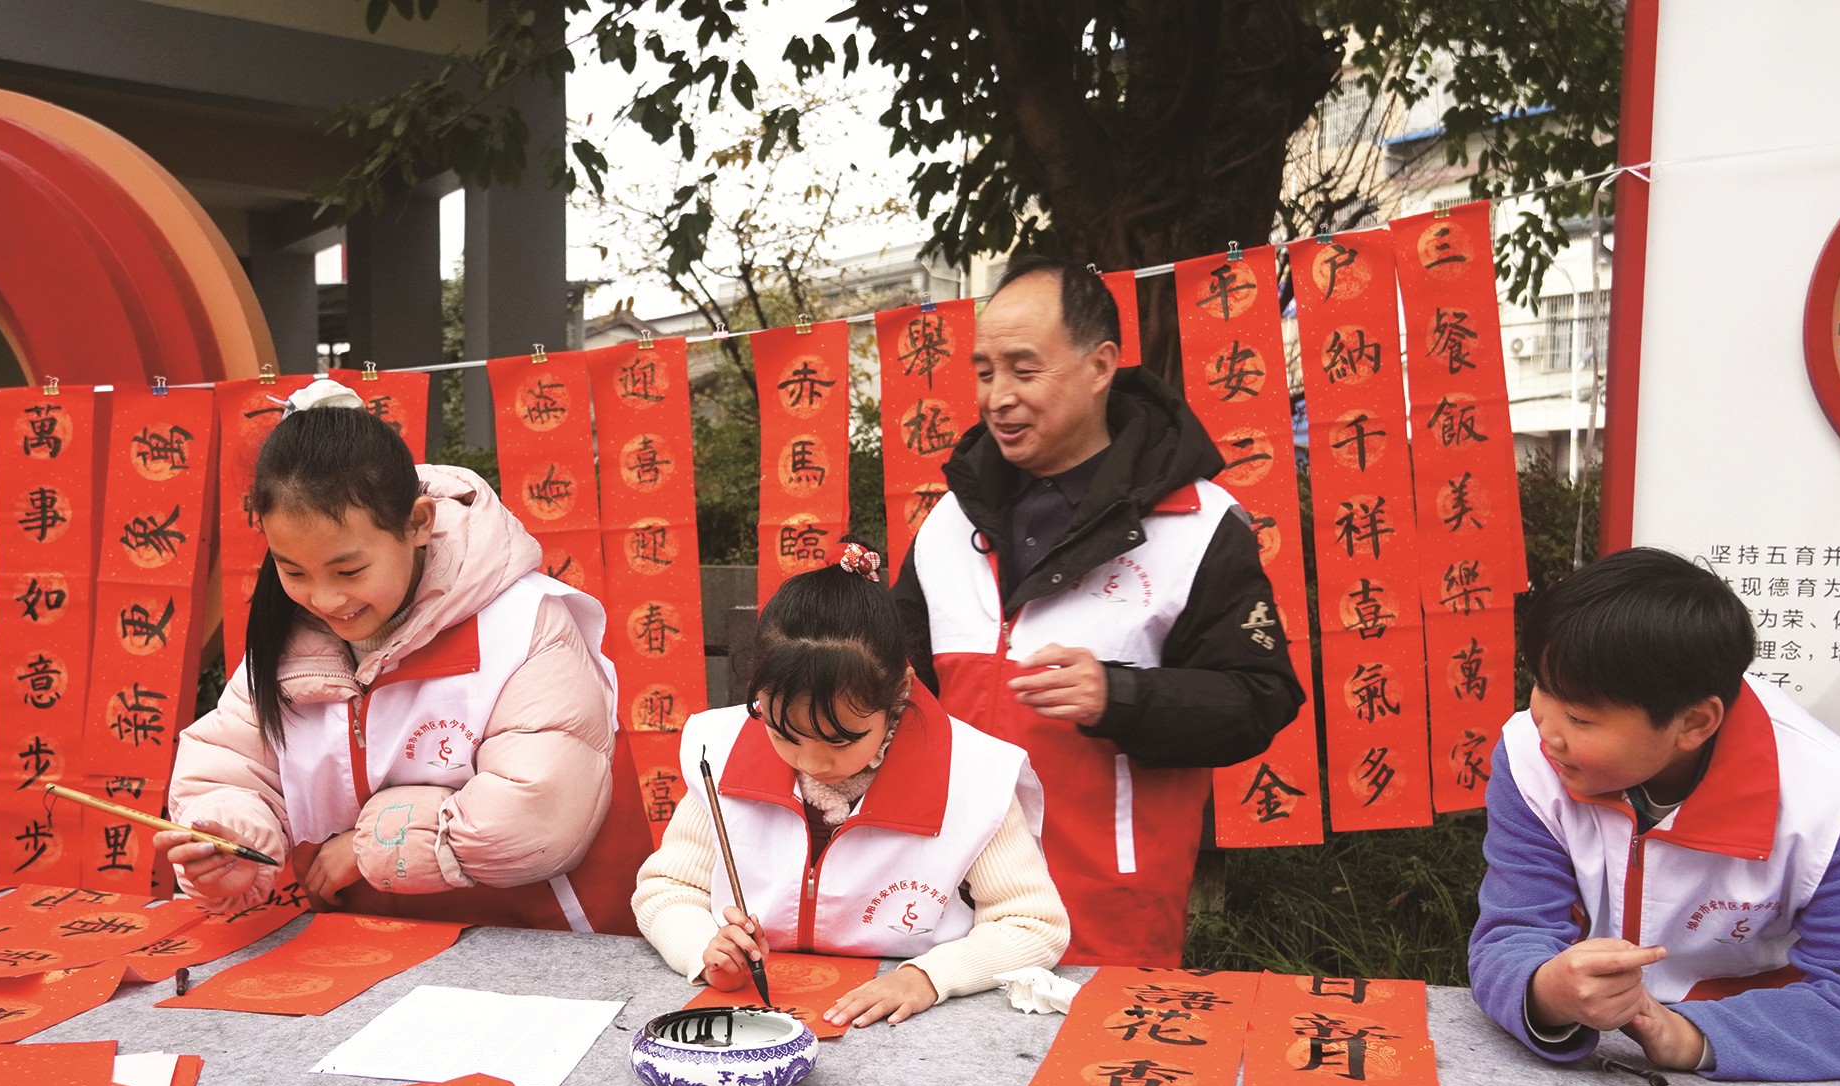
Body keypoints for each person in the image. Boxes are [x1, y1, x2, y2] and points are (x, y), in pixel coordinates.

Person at [892, 257, 1302, 967]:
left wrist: (1120, 695)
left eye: (1024, 370)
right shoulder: (949, 521)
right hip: (944, 906)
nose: (998, 397)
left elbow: (1260, 697)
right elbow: (897, 685)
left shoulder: (1198, 524)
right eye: (985, 372)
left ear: (1101, 366)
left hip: (1103, 914)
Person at [164, 378, 647, 931]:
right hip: (366, 939)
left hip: (544, 938)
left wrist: (366, 845)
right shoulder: (290, 636)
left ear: (418, 523)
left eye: (349, 571)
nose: (325, 600)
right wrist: (232, 841)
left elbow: (537, 816)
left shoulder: (523, 624)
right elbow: (230, 767)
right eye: (292, 571)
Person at [1470, 547, 1840, 1082]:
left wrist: (1688, 1036)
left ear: (1693, 723)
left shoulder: (1826, 799)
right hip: (1582, 1051)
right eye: (1542, 688)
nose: (1546, 729)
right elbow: (1511, 932)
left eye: (1579, 717)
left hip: (1756, 1055)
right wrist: (1545, 991)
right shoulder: (1531, 757)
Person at [633, 542, 1070, 1027]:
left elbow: (1033, 925)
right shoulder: (719, 751)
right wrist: (704, 948)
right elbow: (668, 888)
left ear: (899, 692)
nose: (813, 762)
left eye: (841, 740)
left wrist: (928, 977)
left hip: (911, 1026)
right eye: (784, 734)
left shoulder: (974, 775)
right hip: (754, 1014)